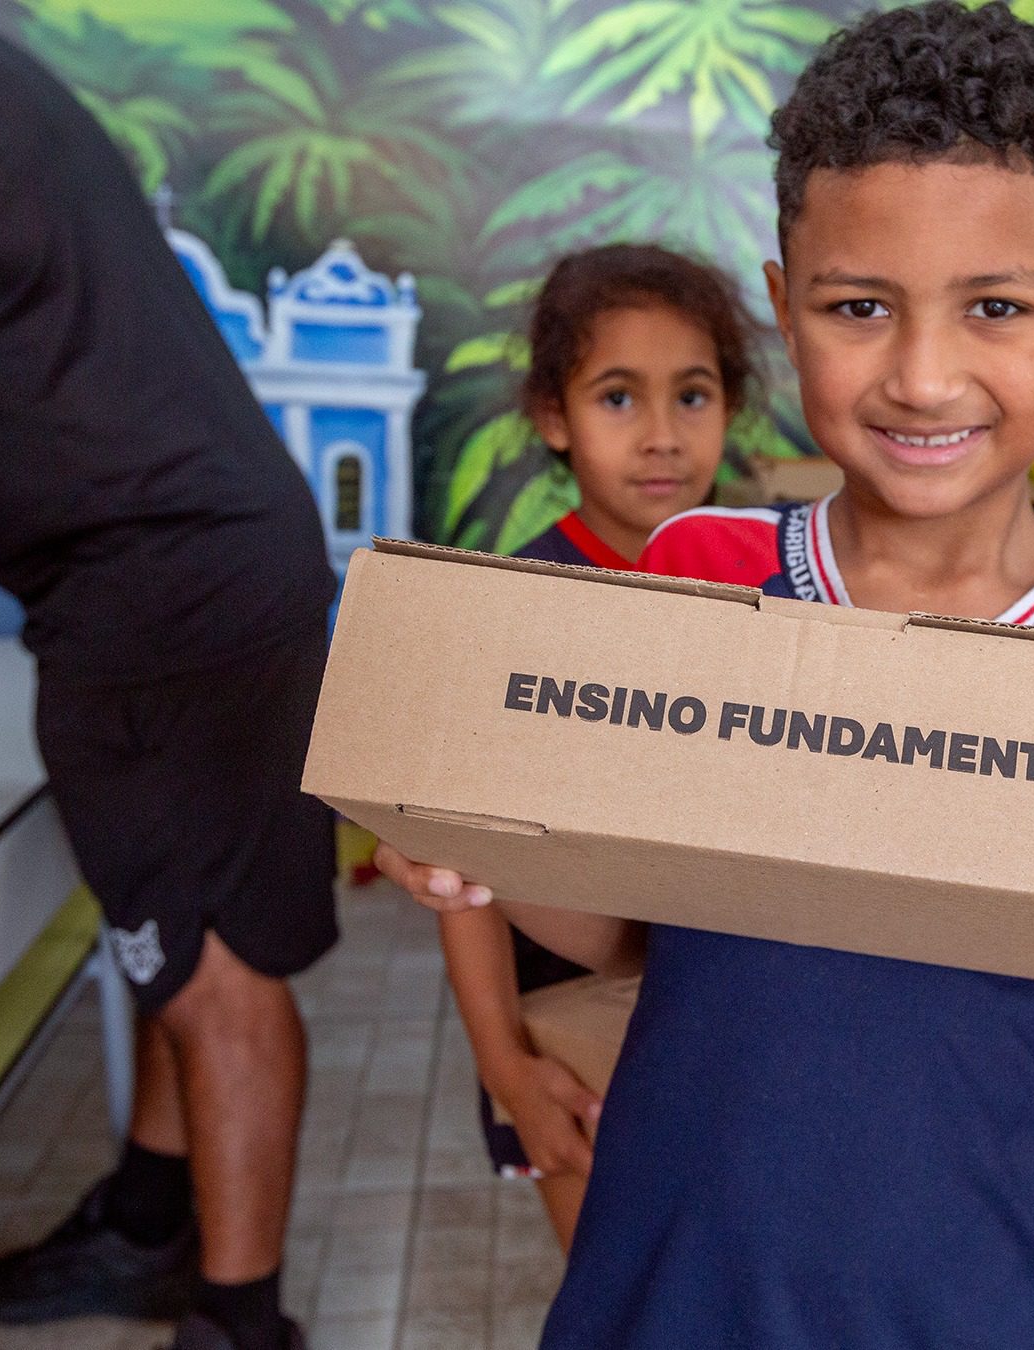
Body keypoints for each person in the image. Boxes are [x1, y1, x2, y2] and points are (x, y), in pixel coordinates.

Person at [376, 6, 1034, 1346]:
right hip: (652, 1308)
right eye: (860, 308)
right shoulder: (698, 577)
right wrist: (473, 844)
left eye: (997, 308)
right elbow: (646, 939)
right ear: (784, 309)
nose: (924, 378)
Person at [0, 3, 338, 1347]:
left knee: (217, 967)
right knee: (166, 932)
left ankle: (237, 1323)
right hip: (171, 581)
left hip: (165, 593)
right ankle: (151, 1221)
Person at [441, 243, 754, 1249]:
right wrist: (507, 1066)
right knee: (614, 1288)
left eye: (692, 396)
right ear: (552, 415)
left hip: (733, 1016)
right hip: (564, 1031)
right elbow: (459, 870)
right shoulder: (516, 612)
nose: (662, 436)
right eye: (618, 398)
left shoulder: (774, 599)